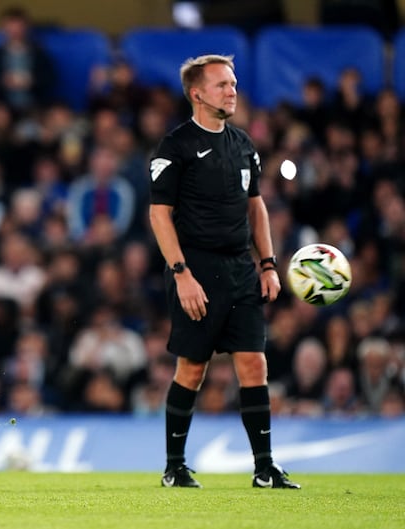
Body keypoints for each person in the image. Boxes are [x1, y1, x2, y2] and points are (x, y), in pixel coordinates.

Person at [147, 54, 300, 489]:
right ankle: (174, 466)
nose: (232, 91)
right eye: (222, 85)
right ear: (197, 94)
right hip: (196, 268)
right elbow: (160, 216)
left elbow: (257, 208)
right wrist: (181, 273)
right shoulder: (175, 147)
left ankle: (265, 467)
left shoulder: (244, 145)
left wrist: (268, 264)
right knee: (192, 369)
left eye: (233, 84)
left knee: (254, 364)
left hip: (240, 269)